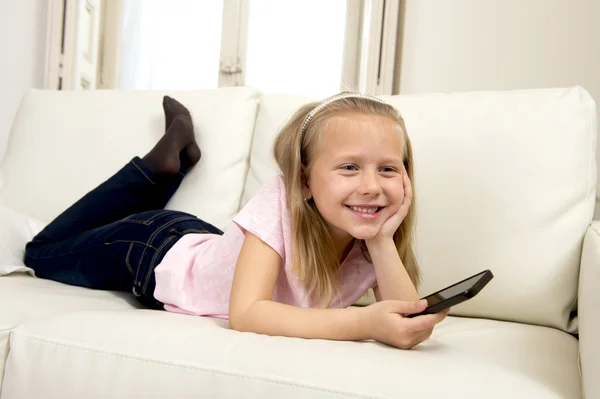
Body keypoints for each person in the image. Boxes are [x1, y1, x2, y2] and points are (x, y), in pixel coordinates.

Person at [25, 92, 448, 349]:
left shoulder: (370, 235)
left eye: (389, 170)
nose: (372, 186)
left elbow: (403, 313)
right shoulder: (282, 198)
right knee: (40, 251)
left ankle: (167, 167)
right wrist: (362, 323)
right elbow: (246, 314)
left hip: (203, 242)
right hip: (150, 250)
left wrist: (381, 240)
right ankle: (155, 171)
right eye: (350, 168)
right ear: (304, 180)